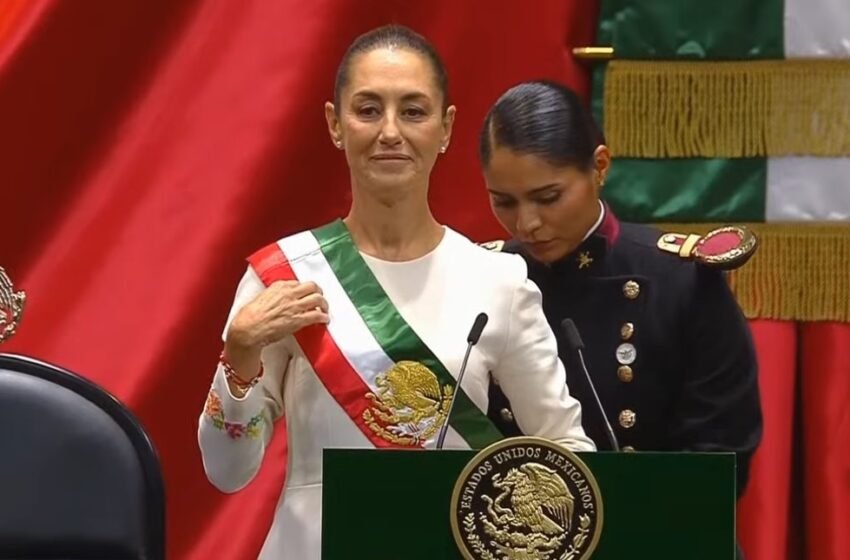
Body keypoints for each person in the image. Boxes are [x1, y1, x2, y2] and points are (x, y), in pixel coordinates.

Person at [197, 28, 594, 560]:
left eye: (413, 111)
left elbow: (567, 452)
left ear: (446, 128)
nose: (389, 132)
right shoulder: (284, 276)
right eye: (367, 110)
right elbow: (226, 471)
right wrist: (239, 352)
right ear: (335, 125)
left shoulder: (498, 281)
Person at [478, 80, 762, 497]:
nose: (527, 224)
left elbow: (720, 461)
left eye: (548, 197)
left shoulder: (682, 281)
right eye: (504, 202)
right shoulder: (482, 278)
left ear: (600, 166)